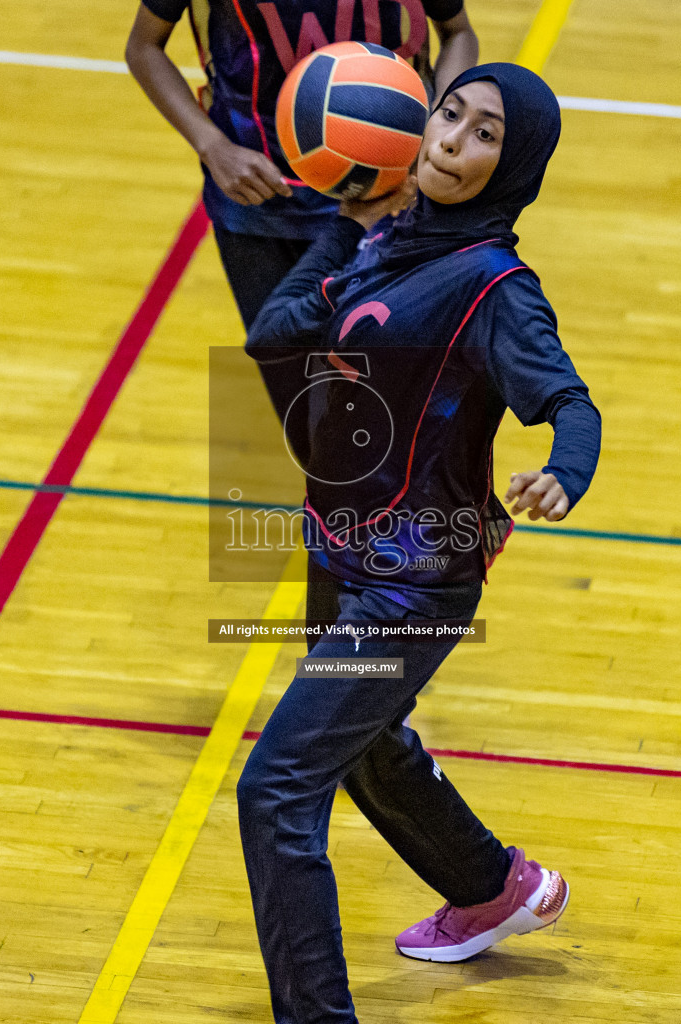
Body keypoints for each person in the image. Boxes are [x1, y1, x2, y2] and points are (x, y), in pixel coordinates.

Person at [239, 63, 600, 1024]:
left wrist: (563, 471)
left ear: (512, 164)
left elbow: (569, 401)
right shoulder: (387, 235)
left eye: (484, 134)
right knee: (366, 750)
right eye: (450, 115)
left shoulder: (495, 290)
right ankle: (493, 887)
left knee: (276, 791)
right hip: (336, 549)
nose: (451, 140)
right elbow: (272, 334)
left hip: (409, 587)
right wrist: (343, 226)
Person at [125, 0, 480, 328]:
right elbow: (144, 47)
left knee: (396, 380)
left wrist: (437, 130)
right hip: (261, 205)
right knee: (293, 379)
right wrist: (213, 146)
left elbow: (458, 32)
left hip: (396, 196)